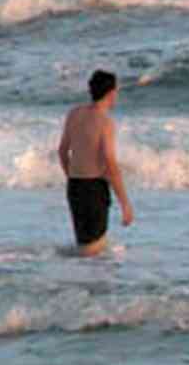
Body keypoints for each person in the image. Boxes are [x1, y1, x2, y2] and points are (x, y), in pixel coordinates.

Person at [58, 68, 135, 256]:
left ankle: (79, 282)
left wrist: (72, 178)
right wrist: (125, 203)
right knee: (94, 249)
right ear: (110, 93)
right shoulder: (105, 122)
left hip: (75, 186)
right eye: (116, 90)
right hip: (94, 188)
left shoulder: (74, 114)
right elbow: (110, 162)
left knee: (83, 243)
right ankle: (93, 284)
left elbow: (62, 151)